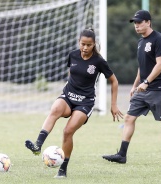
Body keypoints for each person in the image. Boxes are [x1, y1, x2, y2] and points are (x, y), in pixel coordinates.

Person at [25, 28, 123, 178]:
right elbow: (72, 72)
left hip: (85, 102)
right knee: (55, 109)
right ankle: (38, 145)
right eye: (82, 44)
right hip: (68, 96)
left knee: (67, 131)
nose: (85, 48)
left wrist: (114, 105)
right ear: (79, 42)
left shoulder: (99, 61)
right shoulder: (73, 55)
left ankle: (62, 170)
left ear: (94, 44)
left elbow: (114, 81)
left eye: (89, 45)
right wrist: (69, 85)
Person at [102, 10, 161, 164]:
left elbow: (160, 64)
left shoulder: (159, 39)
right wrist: (135, 85)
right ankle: (122, 155)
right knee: (129, 118)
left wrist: (147, 82)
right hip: (142, 88)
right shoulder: (140, 42)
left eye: (139, 22)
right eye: (135, 23)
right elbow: (141, 67)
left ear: (148, 22)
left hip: (158, 88)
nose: (136, 26)